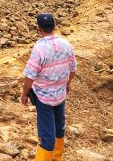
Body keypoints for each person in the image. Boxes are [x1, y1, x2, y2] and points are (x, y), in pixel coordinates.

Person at [21, 13, 77, 161]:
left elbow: (30, 75)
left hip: (43, 98)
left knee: (46, 137)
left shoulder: (39, 48)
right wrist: (66, 84)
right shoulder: (66, 44)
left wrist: (25, 93)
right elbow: (73, 70)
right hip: (60, 94)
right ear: (55, 26)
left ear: (39, 29)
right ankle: (57, 158)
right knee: (59, 129)